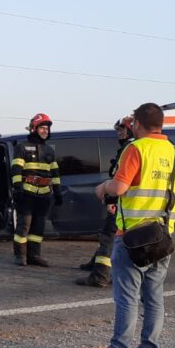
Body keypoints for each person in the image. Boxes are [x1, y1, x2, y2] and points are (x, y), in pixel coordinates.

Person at [95, 102, 175, 348]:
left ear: (137, 124)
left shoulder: (135, 149)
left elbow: (119, 187)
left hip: (132, 238)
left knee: (127, 299)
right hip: (162, 238)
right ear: (161, 124)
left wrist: (104, 187)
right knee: (154, 298)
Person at [76, 117, 134, 287]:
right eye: (118, 130)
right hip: (128, 202)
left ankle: (100, 275)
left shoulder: (129, 149)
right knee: (109, 232)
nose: (119, 133)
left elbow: (119, 179)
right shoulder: (133, 147)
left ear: (130, 129)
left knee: (109, 234)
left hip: (121, 201)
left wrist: (111, 199)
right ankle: (96, 262)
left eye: (122, 129)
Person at [10, 113, 62, 267]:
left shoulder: (49, 150)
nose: (45, 131)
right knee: (23, 226)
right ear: (34, 129)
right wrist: (17, 187)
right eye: (42, 128)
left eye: (47, 128)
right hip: (26, 194)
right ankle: (20, 256)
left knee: (38, 228)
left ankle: (34, 256)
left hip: (44, 195)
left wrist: (58, 192)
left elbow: (55, 173)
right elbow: (16, 169)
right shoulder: (22, 147)